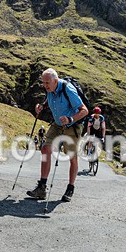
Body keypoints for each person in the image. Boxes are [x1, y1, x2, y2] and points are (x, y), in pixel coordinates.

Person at [26, 68, 89, 202]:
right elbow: (50, 100)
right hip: (57, 124)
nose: (45, 85)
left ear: (55, 80)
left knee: (72, 157)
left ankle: (70, 188)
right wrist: (41, 106)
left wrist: (71, 119)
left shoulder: (68, 90)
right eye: (43, 83)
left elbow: (84, 111)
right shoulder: (49, 89)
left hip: (72, 125)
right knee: (45, 149)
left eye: (47, 82)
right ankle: (42, 187)